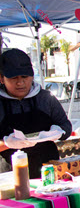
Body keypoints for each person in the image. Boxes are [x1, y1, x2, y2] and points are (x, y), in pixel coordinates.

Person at [0, 49, 71, 178]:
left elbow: (66, 126)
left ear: (32, 76)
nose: (20, 83)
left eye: (25, 77)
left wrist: (58, 132)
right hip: (9, 176)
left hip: (48, 172)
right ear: (1, 78)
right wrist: (6, 143)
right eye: (14, 78)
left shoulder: (45, 98)